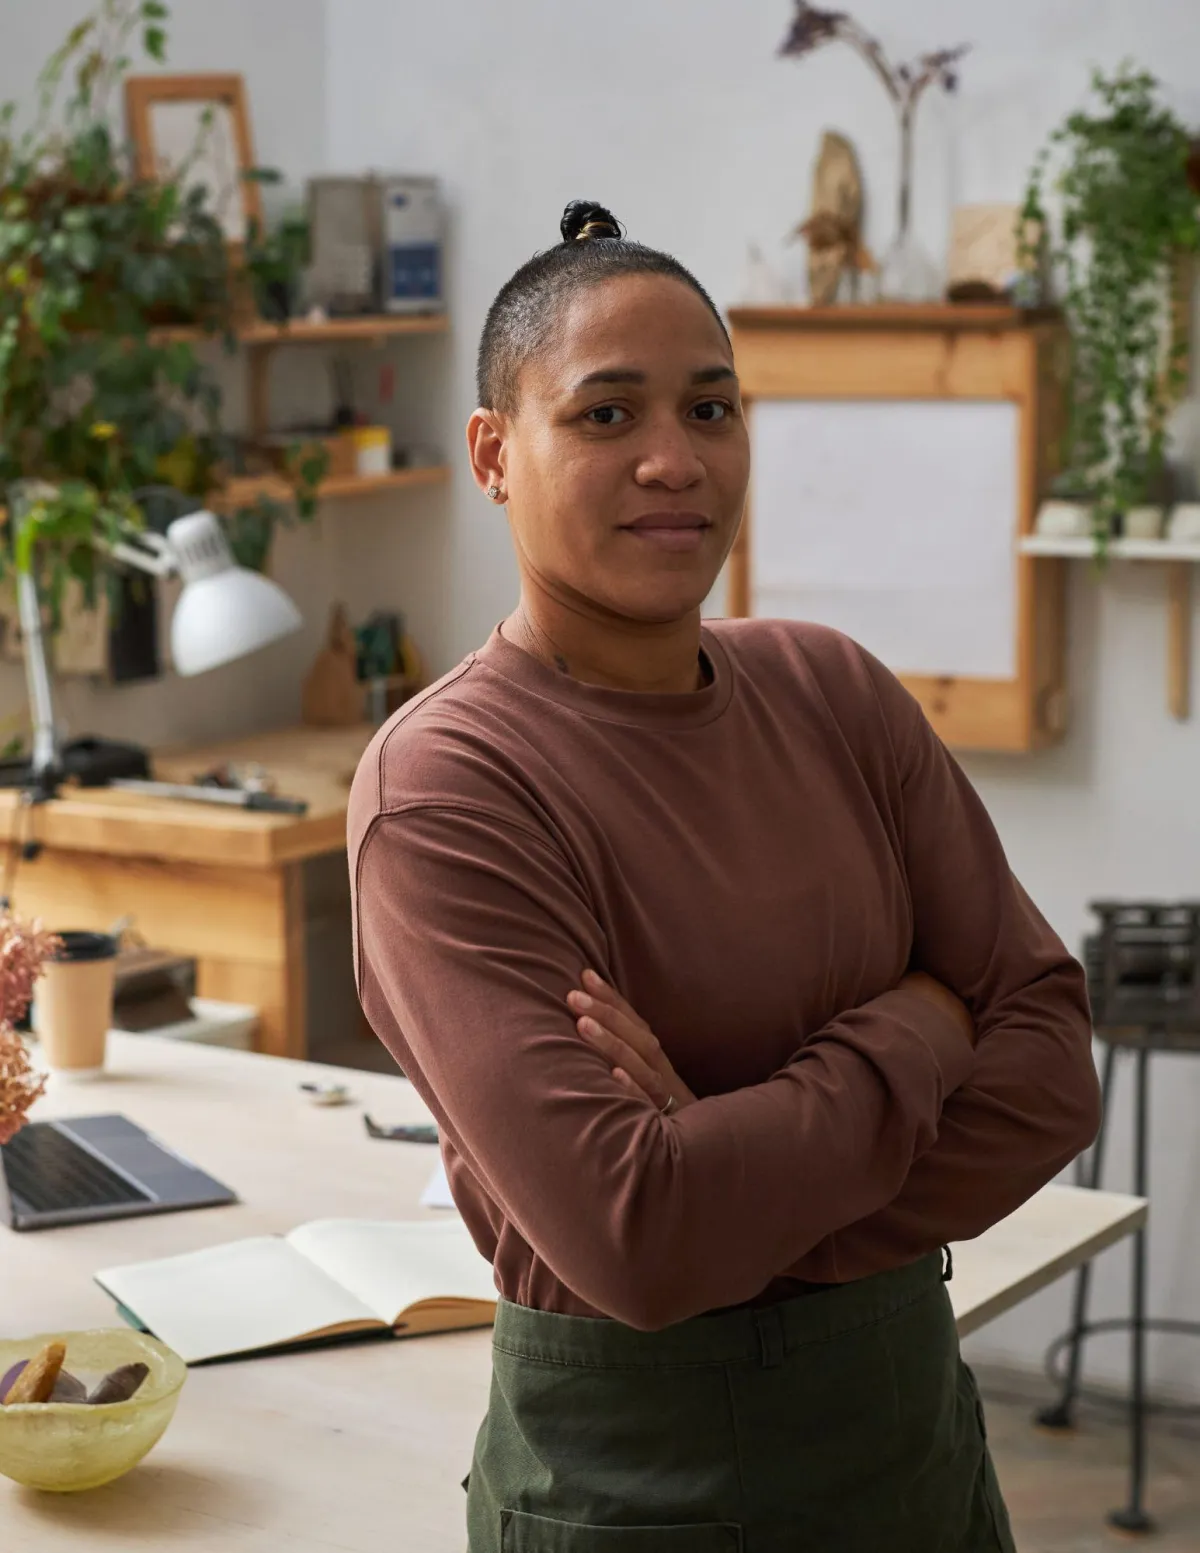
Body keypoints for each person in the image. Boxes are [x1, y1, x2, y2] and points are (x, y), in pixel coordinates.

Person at [348, 200, 1101, 1553]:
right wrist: (918, 1026)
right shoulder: (448, 788)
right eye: (604, 416)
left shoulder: (832, 689)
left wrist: (724, 1193)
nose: (672, 462)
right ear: (493, 454)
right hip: (635, 1491)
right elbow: (639, 1237)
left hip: (912, 1450)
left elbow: (1051, 1073)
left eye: (711, 411)